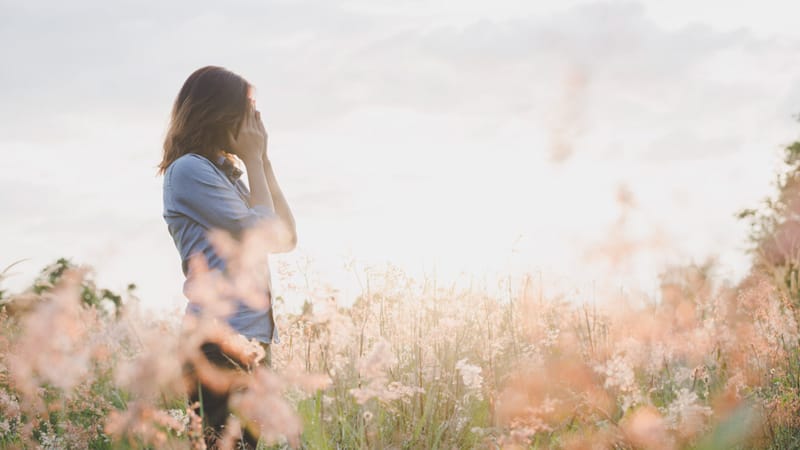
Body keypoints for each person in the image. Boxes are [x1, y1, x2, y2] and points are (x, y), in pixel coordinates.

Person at [157, 65, 297, 448]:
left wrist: (263, 163)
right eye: (247, 114)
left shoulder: (226, 176)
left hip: (251, 338)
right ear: (219, 114)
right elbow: (261, 233)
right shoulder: (188, 171)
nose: (254, 126)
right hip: (217, 342)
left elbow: (285, 237)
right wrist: (254, 160)